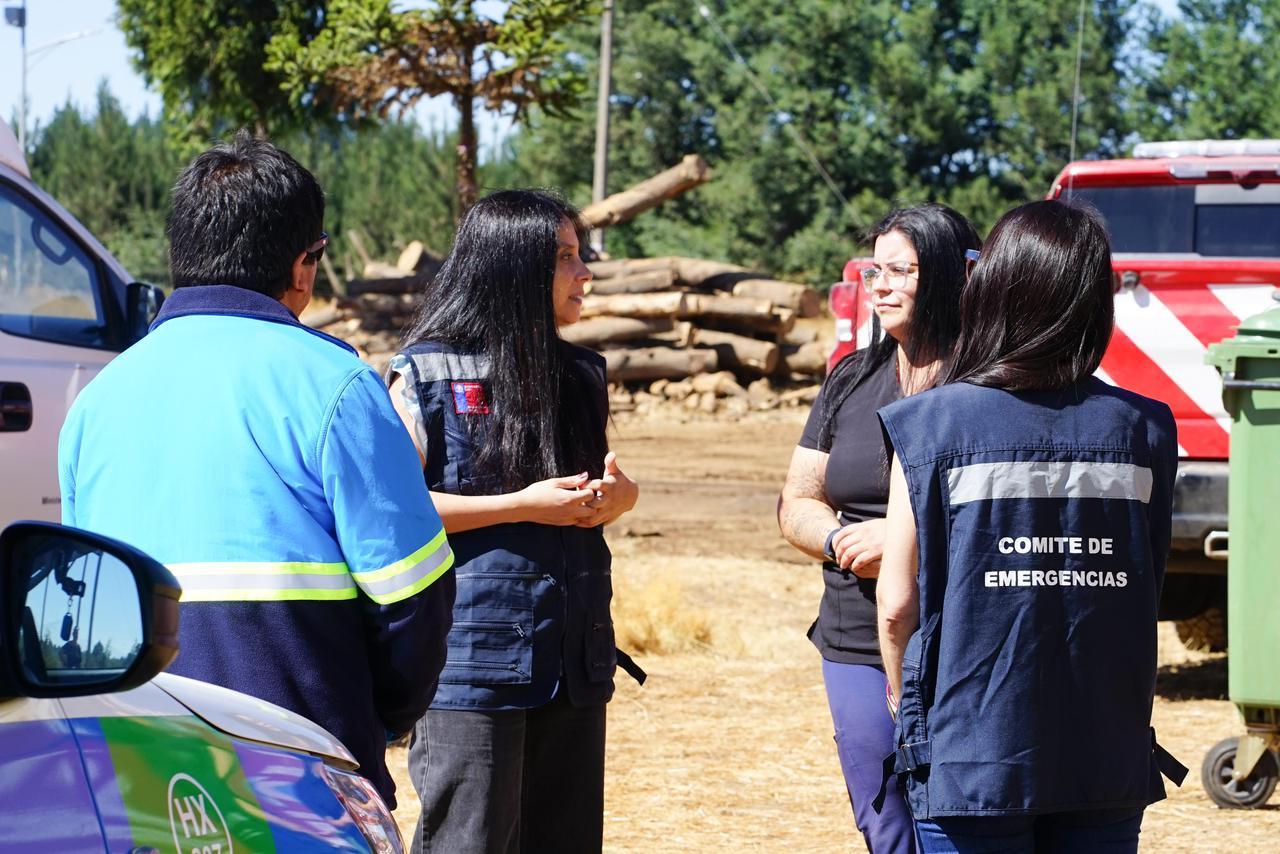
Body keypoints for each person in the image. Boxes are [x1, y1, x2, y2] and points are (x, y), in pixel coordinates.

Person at [58, 130, 455, 807]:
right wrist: (373, 722)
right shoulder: (337, 384)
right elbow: (413, 598)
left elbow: (84, 612)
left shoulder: (94, 403)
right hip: (304, 780)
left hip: (143, 783)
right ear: (304, 266)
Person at [876, 200, 1185, 853]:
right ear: (1092, 305)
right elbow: (1147, 581)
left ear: (990, 290)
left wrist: (910, 716)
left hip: (969, 756)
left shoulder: (929, 424)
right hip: (1105, 750)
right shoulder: (1147, 427)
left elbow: (898, 603)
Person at [388, 189, 640, 854]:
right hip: (471, 665)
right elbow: (392, 516)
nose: (584, 273)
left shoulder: (582, 373)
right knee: (465, 842)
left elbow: (585, 495)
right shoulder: (425, 373)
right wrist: (520, 506)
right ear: (512, 266)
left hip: (574, 658)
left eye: (581, 255)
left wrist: (620, 498)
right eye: (565, 258)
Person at [778, 204, 980, 853]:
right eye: (875, 269)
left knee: (954, 817)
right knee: (883, 818)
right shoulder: (852, 377)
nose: (882, 285)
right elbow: (798, 500)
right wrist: (838, 540)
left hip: (963, 635)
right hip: (855, 633)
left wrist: (903, 544)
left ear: (949, 276)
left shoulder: (986, 385)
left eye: (903, 270)